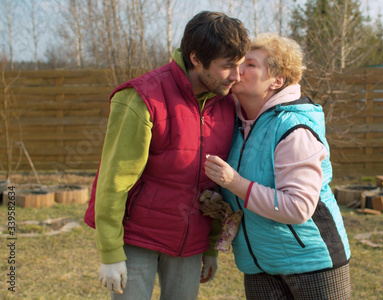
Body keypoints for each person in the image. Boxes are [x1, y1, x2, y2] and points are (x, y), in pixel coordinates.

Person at [84, 11, 250, 300]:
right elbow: (114, 181)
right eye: (227, 67)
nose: (237, 77)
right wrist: (110, 253)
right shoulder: (142, 98)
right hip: (138, 238)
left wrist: (210, 247)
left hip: (190, 244)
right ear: (197, 58)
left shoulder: (227, 104)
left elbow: (214, 186)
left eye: (240, 66)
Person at [204, 33, 351, 299]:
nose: (239, 69)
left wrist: (234, 183)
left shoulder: (293, 127)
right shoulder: (237, 126)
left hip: (312, 265)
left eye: (250, 64)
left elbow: (298, 207)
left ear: (277, 80)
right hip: (258, 266)